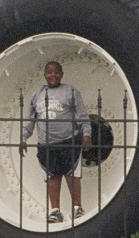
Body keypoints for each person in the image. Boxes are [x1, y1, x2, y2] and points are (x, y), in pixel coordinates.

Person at [19, 61, 91, 223]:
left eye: (56, 72)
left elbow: (82, 115)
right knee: (52, 176)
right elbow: (30, 119)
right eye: (49, 72)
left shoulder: (70, 91)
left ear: (62, 74)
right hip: (46, 144)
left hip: (68, 140)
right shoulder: (37, 95)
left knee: (72, 174)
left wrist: (86, 134)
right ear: (44, 75)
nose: (53, 75)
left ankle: (77, 208)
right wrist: (23, 138)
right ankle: (55, 211)